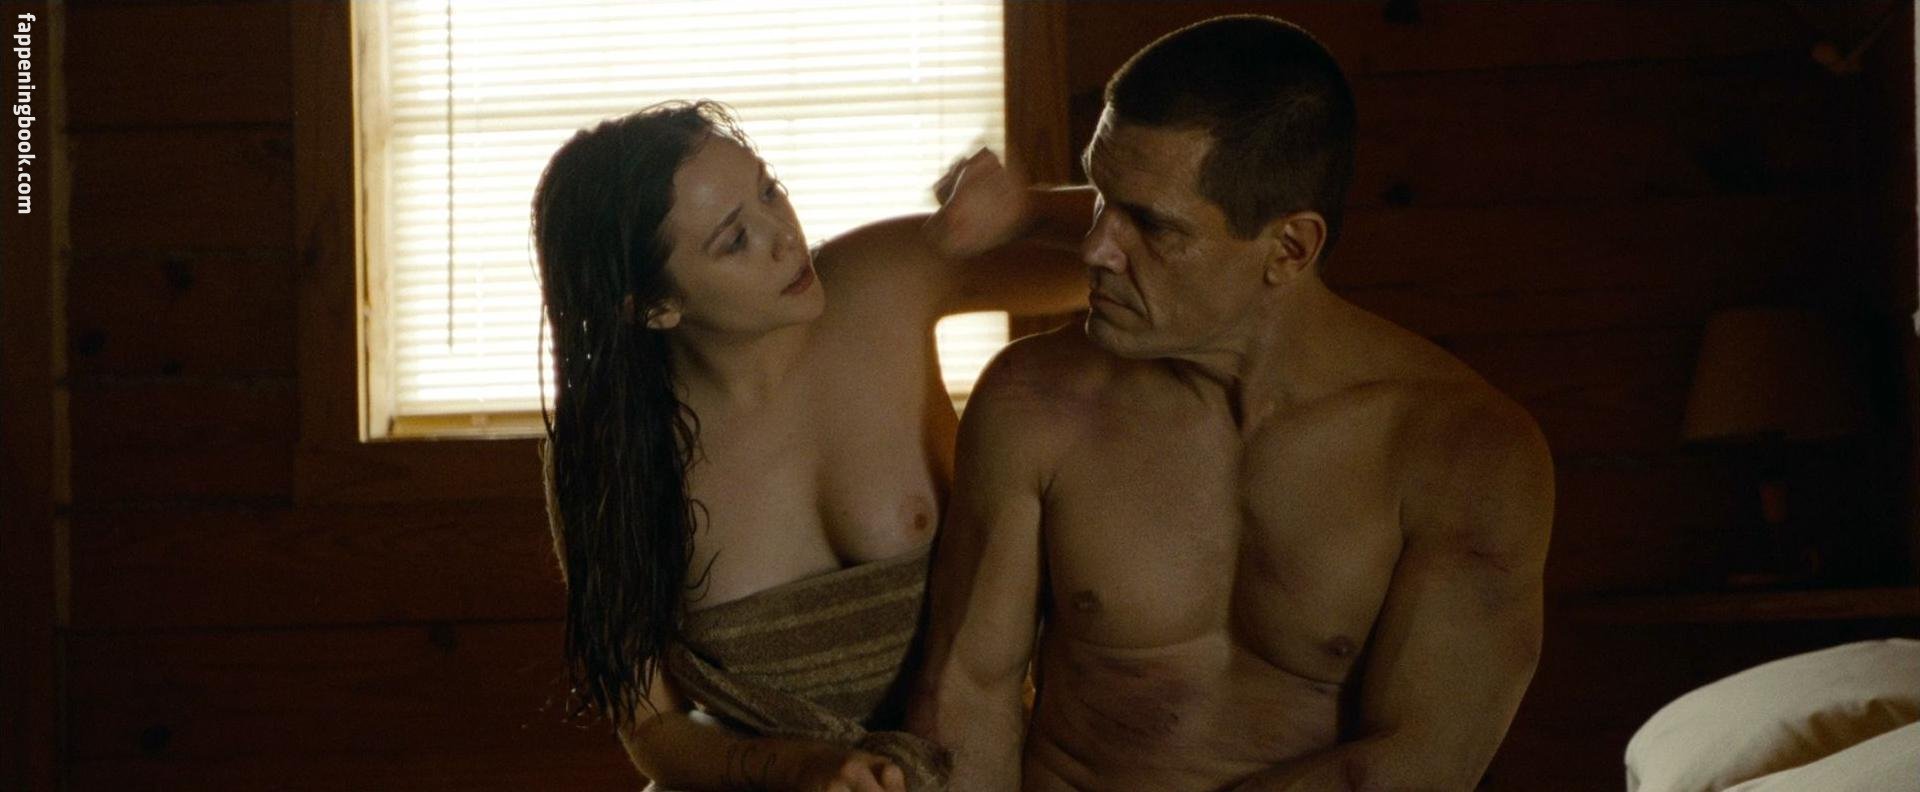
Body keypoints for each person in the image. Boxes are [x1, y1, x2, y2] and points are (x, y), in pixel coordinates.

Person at [908, 16, 1555, 792]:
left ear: (1290, 249)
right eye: (1101, 197)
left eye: (1151, 224)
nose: (1095, 250)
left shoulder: (1464, 451)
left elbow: (1415, 765)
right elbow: (967, 699)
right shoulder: (1036, 403)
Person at [533, 100, 1082, 792]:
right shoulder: (609, 457)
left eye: (769, 191)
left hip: (975, 763)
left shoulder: (880, 281)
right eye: (735, 240)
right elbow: (651, 727)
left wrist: (1029, 209)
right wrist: (797, 768)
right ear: (653, 307)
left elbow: (1125, 259)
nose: (784, 238)